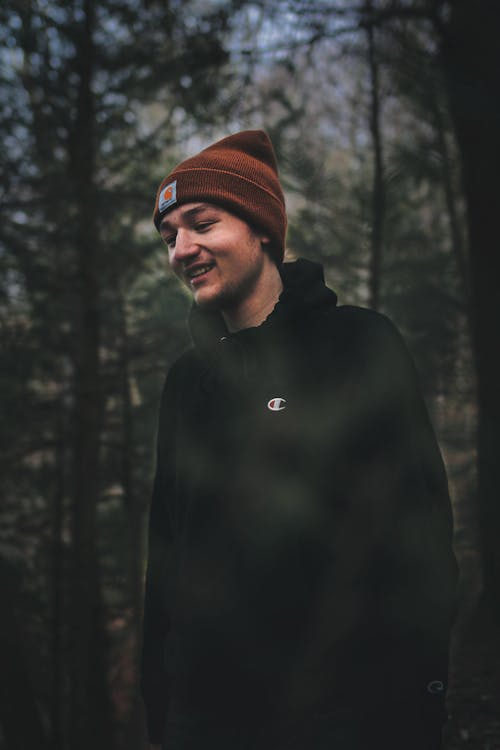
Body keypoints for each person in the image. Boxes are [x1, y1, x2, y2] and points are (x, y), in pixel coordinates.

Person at [140, 130, 457, 750]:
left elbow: (419, 529)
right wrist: (164, 708)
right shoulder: (188, 382)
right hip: (206, 721)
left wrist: (421, 695)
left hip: (348, 713)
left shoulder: (359, 345)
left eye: (201, 223)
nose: (182, 249)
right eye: (169, 235)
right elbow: (169, 554)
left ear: (261, 227)